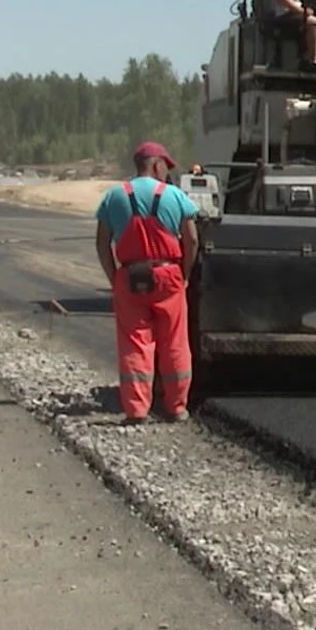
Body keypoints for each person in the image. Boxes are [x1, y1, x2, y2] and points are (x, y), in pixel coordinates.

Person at [94, 141, 201, 424]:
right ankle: (176, 407)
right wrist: (186, 274)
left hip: (129, 277)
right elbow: (191, 238)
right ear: (156, 165)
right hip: (168, 276)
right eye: (166, 167)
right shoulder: (175, 196)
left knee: (134, 343)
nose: (167, 174)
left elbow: (102, 242)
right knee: (174, 342)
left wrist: (114, 276)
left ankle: (136, 411)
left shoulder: (113, 197)